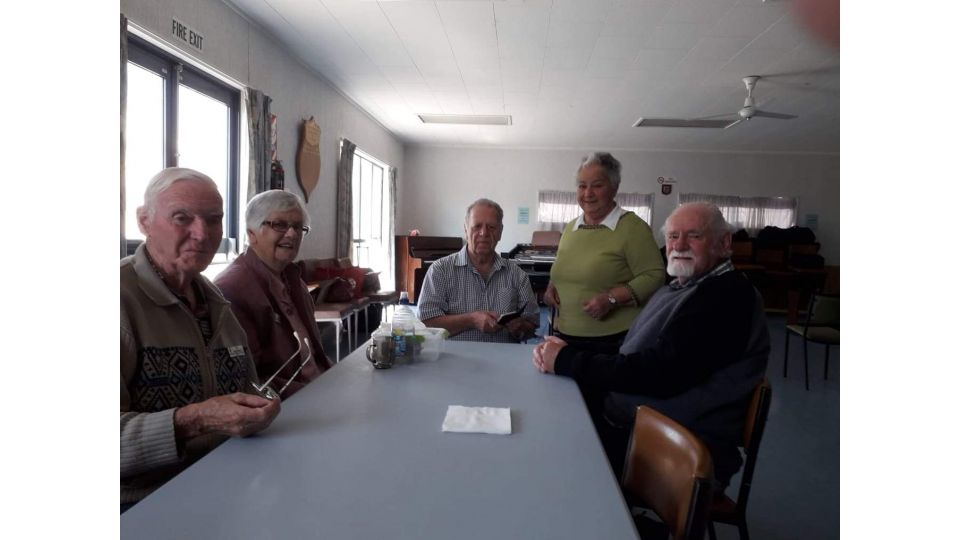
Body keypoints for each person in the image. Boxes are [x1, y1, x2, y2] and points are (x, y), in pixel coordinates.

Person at [532, 203, 770, 488]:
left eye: (693, 235)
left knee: (554, 448)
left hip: (677, 446)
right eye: (672, 236)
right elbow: (633, 350)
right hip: (647, 425)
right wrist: (568, 349)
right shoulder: (683, 287)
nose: (679, 245)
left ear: (724, 243)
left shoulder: (726, 297)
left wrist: (567, 360)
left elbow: (660, 373)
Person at [121, 168, 281, 510]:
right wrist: (196, 419)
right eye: (182, 217)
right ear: (144, 221)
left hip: (228, 485)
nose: (202, 233)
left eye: (213, 220)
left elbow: (247, 388)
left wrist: (261, 403)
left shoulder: (214, 301)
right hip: (144, 505)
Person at [544, 152, 665, 355]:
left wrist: (611, 299)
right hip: (565, 334)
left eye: (597, 185)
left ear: (614, 188)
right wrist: (552, 287)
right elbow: (564, 270)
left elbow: (655, 275)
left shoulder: (632, 227)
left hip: (611, 341)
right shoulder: (572, 227)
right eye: (582, 186)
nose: (588, 193)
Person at [215, 190, 332, 398]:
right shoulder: (232, 288)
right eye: (279, 225)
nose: (292, 234)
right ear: (252, 233)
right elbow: (251, 380)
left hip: (319, 388)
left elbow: (314, 356)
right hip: (288, 405)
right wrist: (319, 394)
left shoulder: (294, 278)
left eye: (297, 226)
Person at [418, 198, 539, 343]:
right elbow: (426, 324)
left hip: (503, 360)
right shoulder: (440, 271)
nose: (484, 233)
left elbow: (532, 324)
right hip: (455, 360)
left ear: (500, 232)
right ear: (466, 229)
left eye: (491, 227)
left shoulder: (518, 275)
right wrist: (471, 320)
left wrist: (522, 328)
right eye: (477, 226)